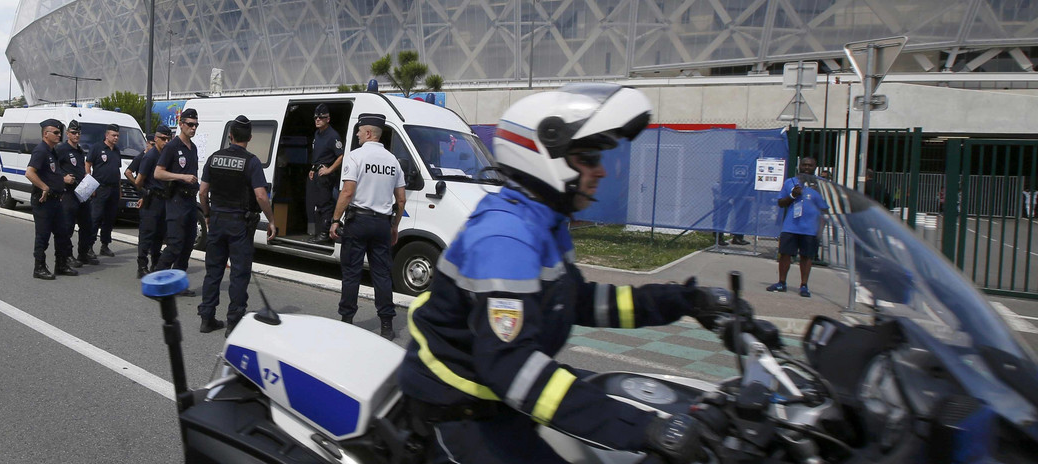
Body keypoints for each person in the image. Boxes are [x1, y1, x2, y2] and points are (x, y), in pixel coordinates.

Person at [397, 84, 736, 464]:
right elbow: (512, 367)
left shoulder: (543, 223)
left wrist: (686, 301)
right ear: (546, 155)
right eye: (589, 157)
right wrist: (643, 428)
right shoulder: (506, 237)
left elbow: (582, 301)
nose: (601, 170)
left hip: (496, 402)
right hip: (457, 413)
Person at [198, 116, 277, 336]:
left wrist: (207, 214)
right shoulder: (251, 162)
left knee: (213, 271)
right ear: (249, 138)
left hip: (217, 221)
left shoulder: (214, 158)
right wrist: (271, 220)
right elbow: (261, 195)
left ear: (230, 136)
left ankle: (207, 318)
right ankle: (233, 322)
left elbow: (203, 192)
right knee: (239, 274)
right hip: (239, 224)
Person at [329, 113, 405, 339]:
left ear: (369, 133)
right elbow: (401, 200)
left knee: (352, 273)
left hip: (358, 222)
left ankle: (347, 320)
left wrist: (335, 220)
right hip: (382, 223)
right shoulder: (393, 161)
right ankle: (387, 326)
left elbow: (347, 191)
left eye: (360, 131)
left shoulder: (355, 157)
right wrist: (394, 226)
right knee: (382, 274)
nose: (357, 134)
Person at [154, 109, 200, 297]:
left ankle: (178, 284)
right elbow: (158, 173)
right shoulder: (172, 146)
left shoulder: (193, 148)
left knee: (188, 245)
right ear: (181, 124)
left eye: (196, 125)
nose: (193, 128)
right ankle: (157, 282)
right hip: (176, 199)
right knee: (174, 244)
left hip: (190, 200)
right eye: (190, 124)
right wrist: (181, 177)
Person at [768, 156, 829, 297]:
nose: (807, 168)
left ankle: (804, 285)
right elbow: (781, 203)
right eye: (804, 165)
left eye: (810, 165)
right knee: (785, 255)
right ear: (799, 166)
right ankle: (781, 282)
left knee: (806, 257)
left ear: (815, 167)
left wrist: (820, 229)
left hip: (810, 228)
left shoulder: (821, 185)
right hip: (791, 226)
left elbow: (824, 210)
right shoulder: (790, 182)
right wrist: (792, 195)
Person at [24, 119, 77, 280]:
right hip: (44, 201)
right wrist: (44, 187)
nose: (59, 135)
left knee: (62, 233)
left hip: (56, 200)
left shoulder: (52, 151)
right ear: (45, 134)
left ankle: (60, 264)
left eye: (59, 132)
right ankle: (39, 267)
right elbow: (30, 173)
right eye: (55, 132)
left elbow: (52, 173)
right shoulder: (41, 151)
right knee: (43, 235)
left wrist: (62, 180)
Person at [55, 119, 98, 267]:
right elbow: (52, 169)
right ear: (67, 134)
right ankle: (67, 255)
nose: (76, 135)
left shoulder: (79, 151)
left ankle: (83, 253)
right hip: (69, 193)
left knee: (87, 224)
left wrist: (89, 181)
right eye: (73, 133)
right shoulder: (61, 149)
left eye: (78, 133)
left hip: (82, 191)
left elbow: (81, 169)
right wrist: (63, 178)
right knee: (68, 227)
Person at [133, 126, 171, 278]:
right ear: (156, 139)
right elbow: (138, 181)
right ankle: (142, 266)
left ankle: (156, 262)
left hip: (164, 199)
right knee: (147, 234)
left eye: (168, 139)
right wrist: (144, 194)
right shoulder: (150, 156)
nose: (166, 142)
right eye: (163, 139)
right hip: (152, 198)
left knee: (160, 234)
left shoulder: (167, 156)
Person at [307, 104, 344, 244]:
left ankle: (324, 234)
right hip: (317, 172)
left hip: (326, 175)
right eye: (316, 117)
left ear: (328, 119)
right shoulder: (318, 134)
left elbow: (341, 156)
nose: (317, 119)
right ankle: (317, 233)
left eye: (321, 117)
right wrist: (312, 168)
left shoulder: (333, 136)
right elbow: (317, 154)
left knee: (325, 204)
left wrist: (329, 170)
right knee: (316, 203)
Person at [86, 123, 123, 258]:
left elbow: (117, 171)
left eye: (118, 135)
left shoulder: (116, 151)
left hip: (113, 188)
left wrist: (119, 190)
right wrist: (90, 186)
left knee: (109, 218)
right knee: (95, 217)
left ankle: (105, 245)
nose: (116, 138)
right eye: (113, 135)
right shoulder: (97, 148)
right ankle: (89, 246)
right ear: (106, 135)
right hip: (100, 187)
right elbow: (88, 165)